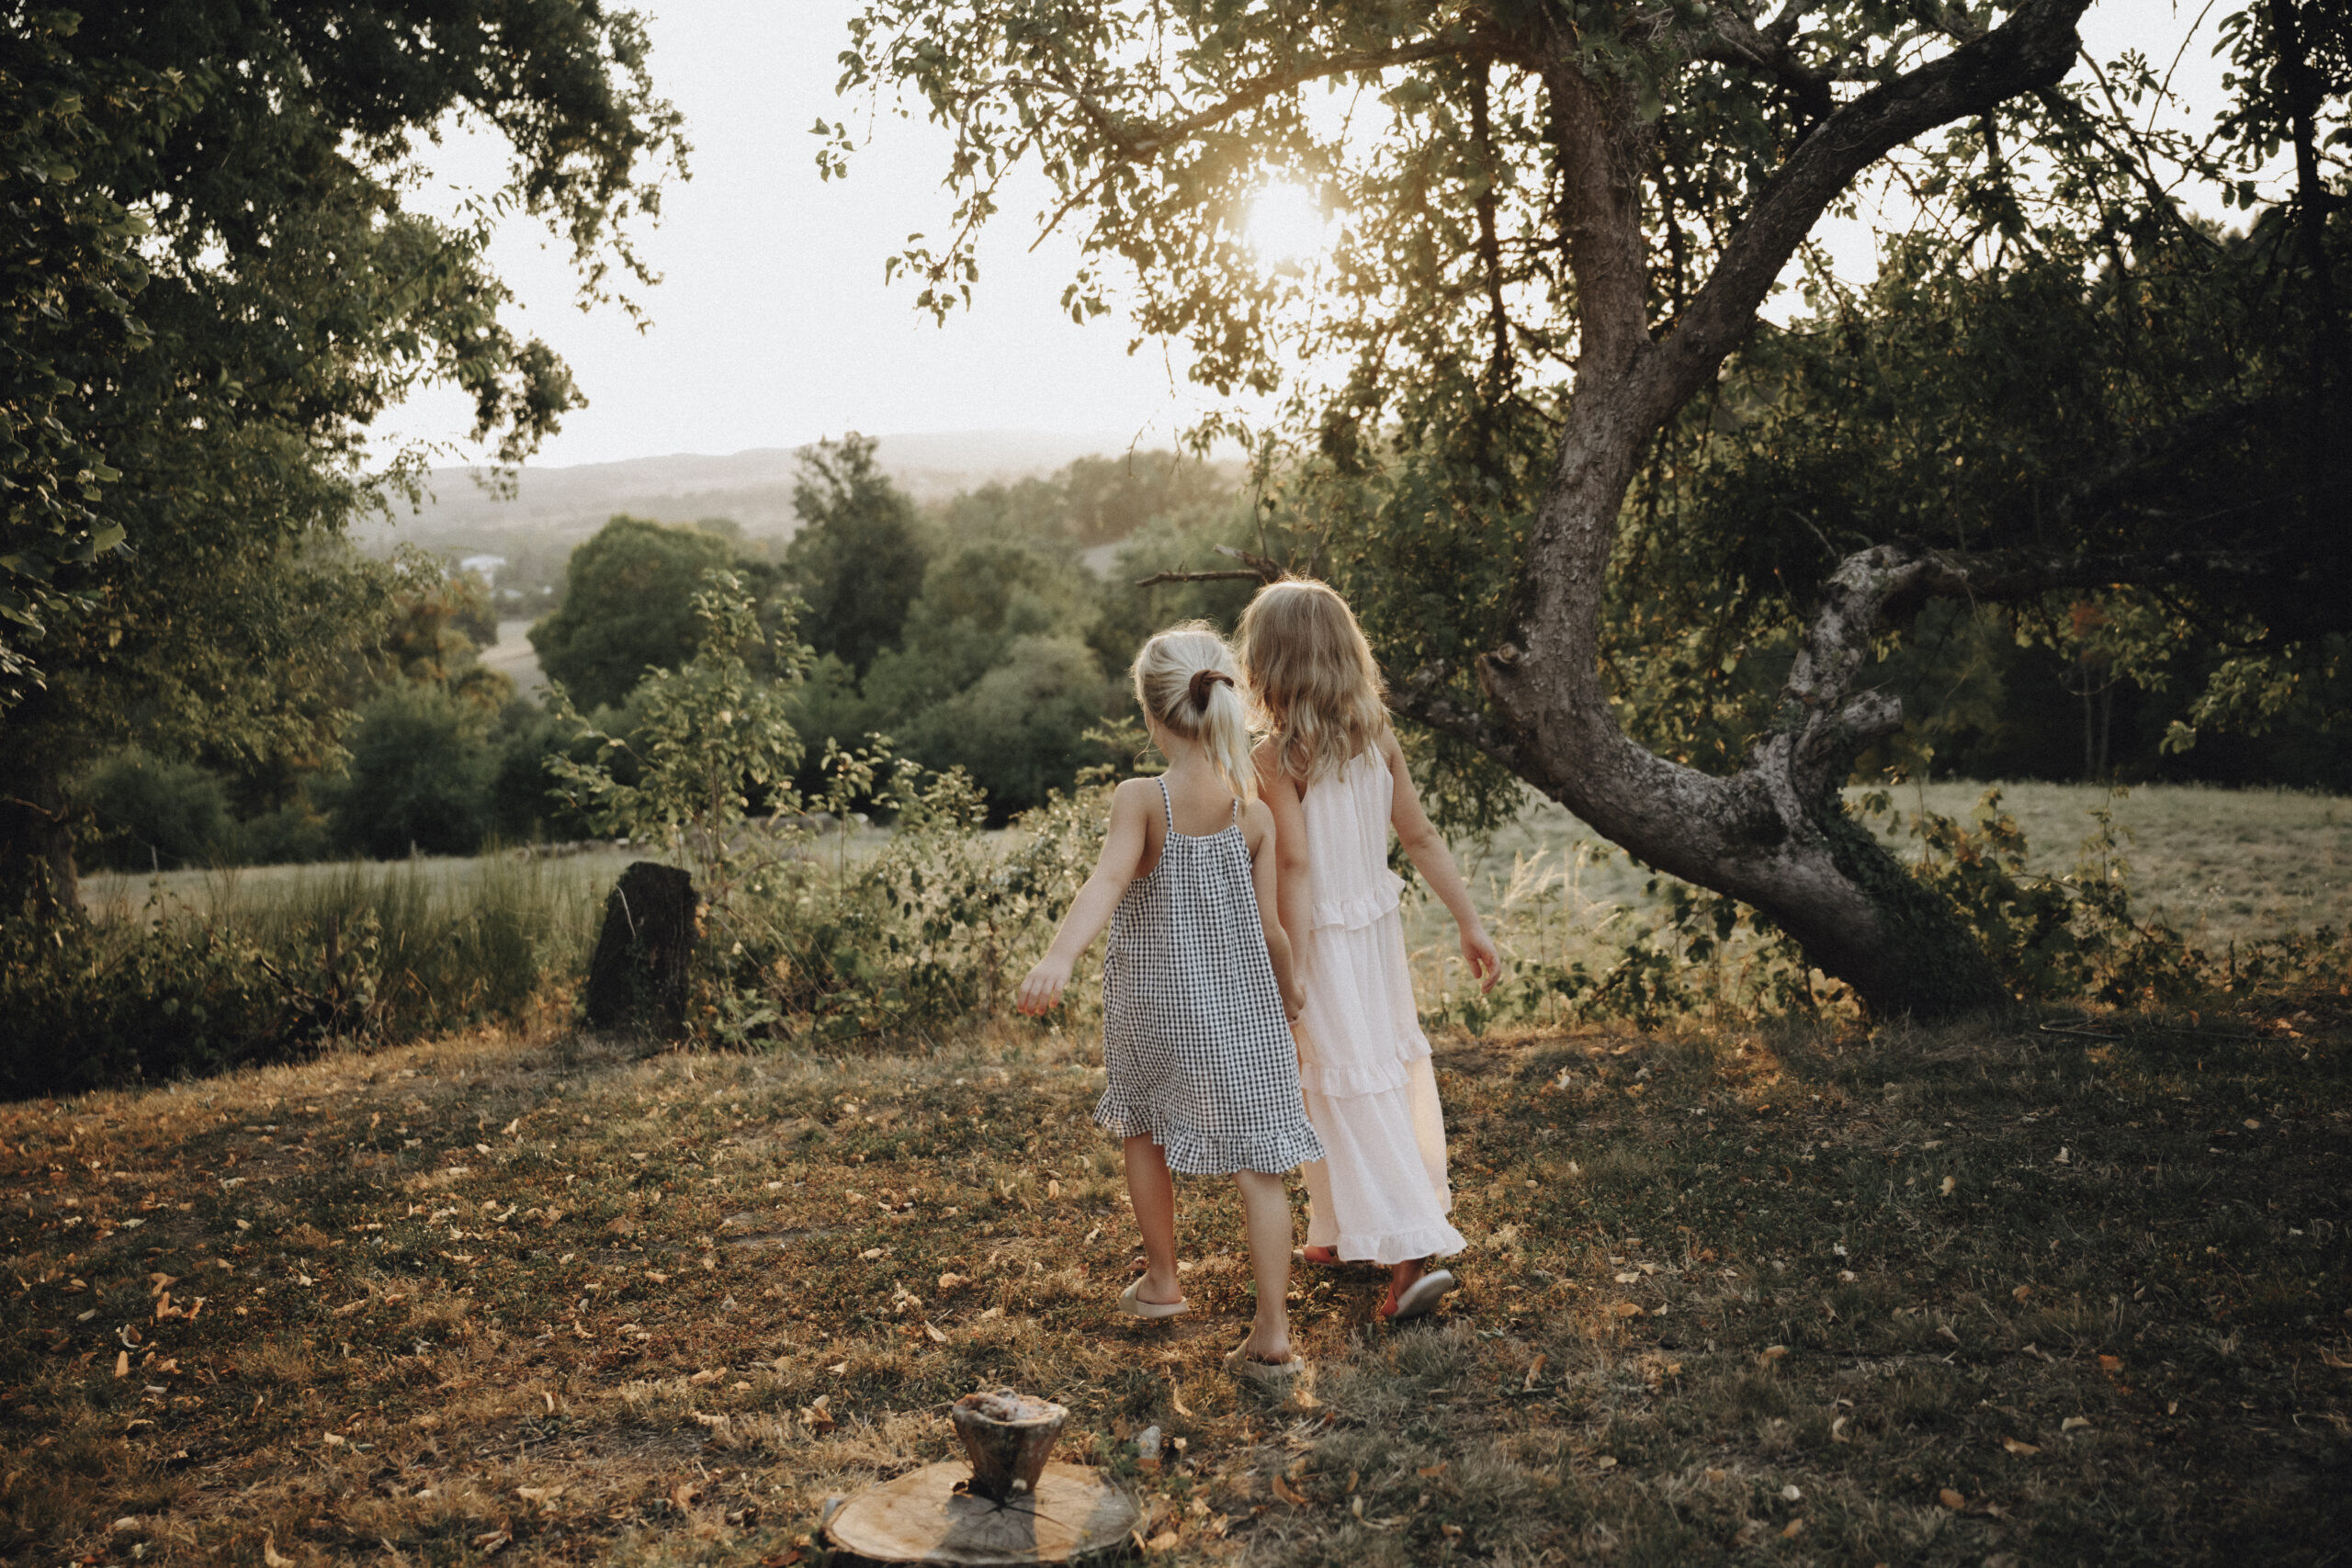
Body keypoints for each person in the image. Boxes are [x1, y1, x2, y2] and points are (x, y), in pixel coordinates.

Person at [1017, 623, 1324, 1380]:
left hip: (1156, 1013)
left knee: (1146, 1126)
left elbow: (1107, 883)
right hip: (1245, 1014)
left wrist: (1060, 955)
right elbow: (1273, 929)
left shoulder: (1142, 799)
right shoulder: (1252, 810)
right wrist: (1291, 992)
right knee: (1263, 1163)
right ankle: (1274, 1331)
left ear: (1153, 716)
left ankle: (1163, 1280)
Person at [1238, 579, 1499, 1321]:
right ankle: (1342, 1227)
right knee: (1347, 1080)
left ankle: (1408, 1255)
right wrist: (1469, 920)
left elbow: (1293, 866)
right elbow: (1419, 837)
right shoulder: (1373, 735)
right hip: (1373, 943)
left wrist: (1286, 956)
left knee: (1345, 1088)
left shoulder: (1274, 756)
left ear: (1268, 665)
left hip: (1319, 940)